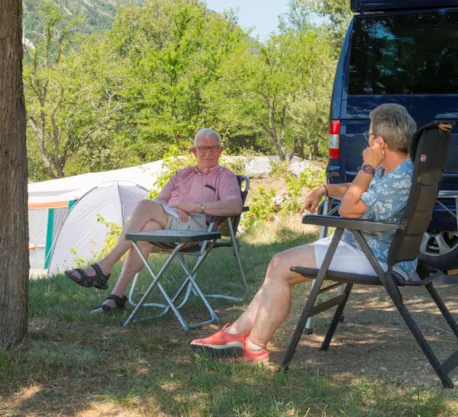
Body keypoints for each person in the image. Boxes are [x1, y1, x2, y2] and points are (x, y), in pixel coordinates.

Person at [190, 103, 417, 363]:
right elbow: (356, 191)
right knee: (278, 267)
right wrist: (323, 189)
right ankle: (236, 333)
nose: (366, 144)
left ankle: (252, 346)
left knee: (280, 265)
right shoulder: (397, 170)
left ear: (380, 143)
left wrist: (367, 167)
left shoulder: (396, 179)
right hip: (365, 244)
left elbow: (349, 208)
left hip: (375, 255)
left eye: (368, 137)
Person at [65, 128, 244, 315]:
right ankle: (115, 298)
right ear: (194, 151)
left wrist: (194, 207)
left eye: (213, 148)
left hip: (196, 229)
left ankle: (104, 267)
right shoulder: (181, 174)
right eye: (203, 148)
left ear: (221, 150)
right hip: (172, 221)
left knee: (144, 205)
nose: (208, 153)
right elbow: (160, 199)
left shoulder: (224, 176)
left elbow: (234, 205)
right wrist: (174, 208)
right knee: (148, 227)